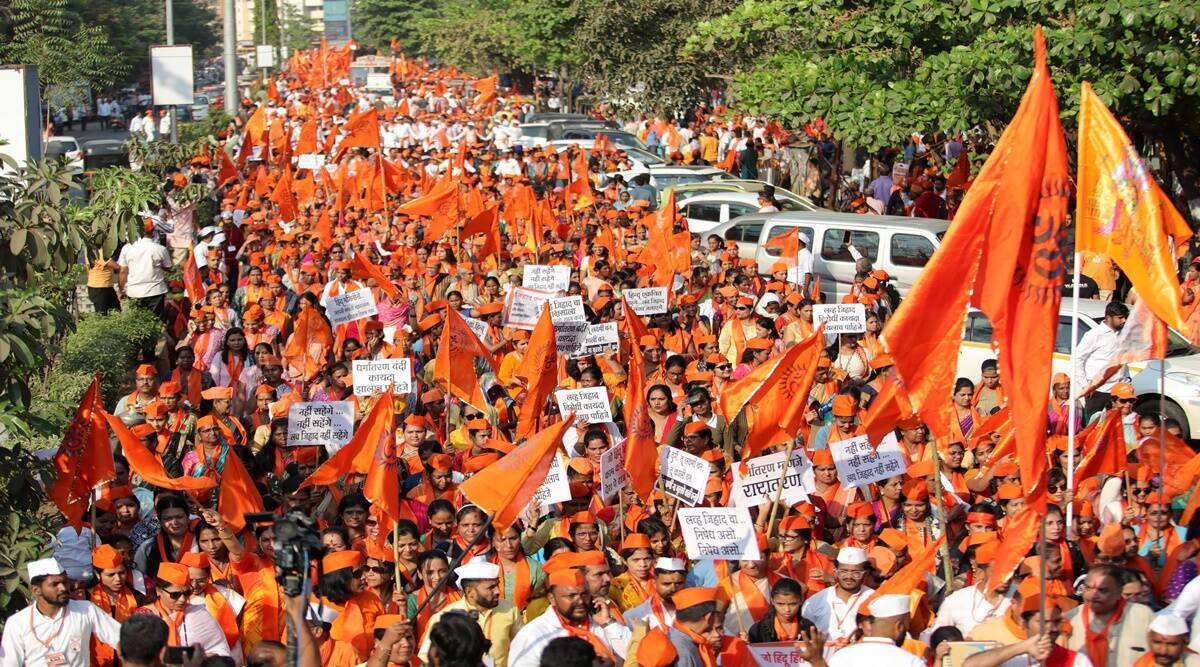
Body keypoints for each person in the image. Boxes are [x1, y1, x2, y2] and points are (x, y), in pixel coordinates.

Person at [0, 558, 121, 667]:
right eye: (55, 584)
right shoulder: (17, 623)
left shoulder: (86, 610)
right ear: (36, 590)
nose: (63, 588)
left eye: (64, 582)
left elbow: (122, 639)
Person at [419, 559, 521, 667]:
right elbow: (427, 659)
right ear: (469, 592)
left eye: (497, 585)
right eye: (491, 587)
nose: (497, 591)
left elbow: (522, 645)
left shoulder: (509, 609)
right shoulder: (444, 618)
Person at [1064, 564, 1155, 667]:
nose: (1093, 595)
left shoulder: (1143, 616)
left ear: (1118, 592)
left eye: (1102, 590)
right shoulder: (1070, 620)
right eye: (1088, 588)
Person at [1075, 302, 1131, 419]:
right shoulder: (1094, 335)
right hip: (1098, 391)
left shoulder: (1123, 334)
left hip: (1118, 390)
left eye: (1125, 317)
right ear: (1108, 317)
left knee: (1116, 427)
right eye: (1120, 318)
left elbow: (1122, 360)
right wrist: (1086, 386)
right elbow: (1077, 359)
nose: (1124, 321)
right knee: (1094, 426)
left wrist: (1127, 379)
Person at [118, 224, 174, 320]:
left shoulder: (127, 248)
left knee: (137, 323)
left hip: (134, 292)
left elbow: (123, 271)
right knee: (156, 322)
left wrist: (121, 289)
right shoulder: (160, 249)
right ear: (153, 232)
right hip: (155, 291)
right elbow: (169, 267)